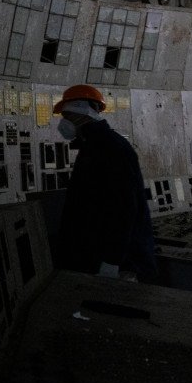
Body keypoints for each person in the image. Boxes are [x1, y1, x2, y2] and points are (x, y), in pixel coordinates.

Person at [53, 84, 157, 282]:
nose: (63, 123)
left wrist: (112, 261)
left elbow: (124, 209)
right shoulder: (95, 145)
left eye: (66, 116)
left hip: (119, 263)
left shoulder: (108, 148)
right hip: (103, 256)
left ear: (81, 113)